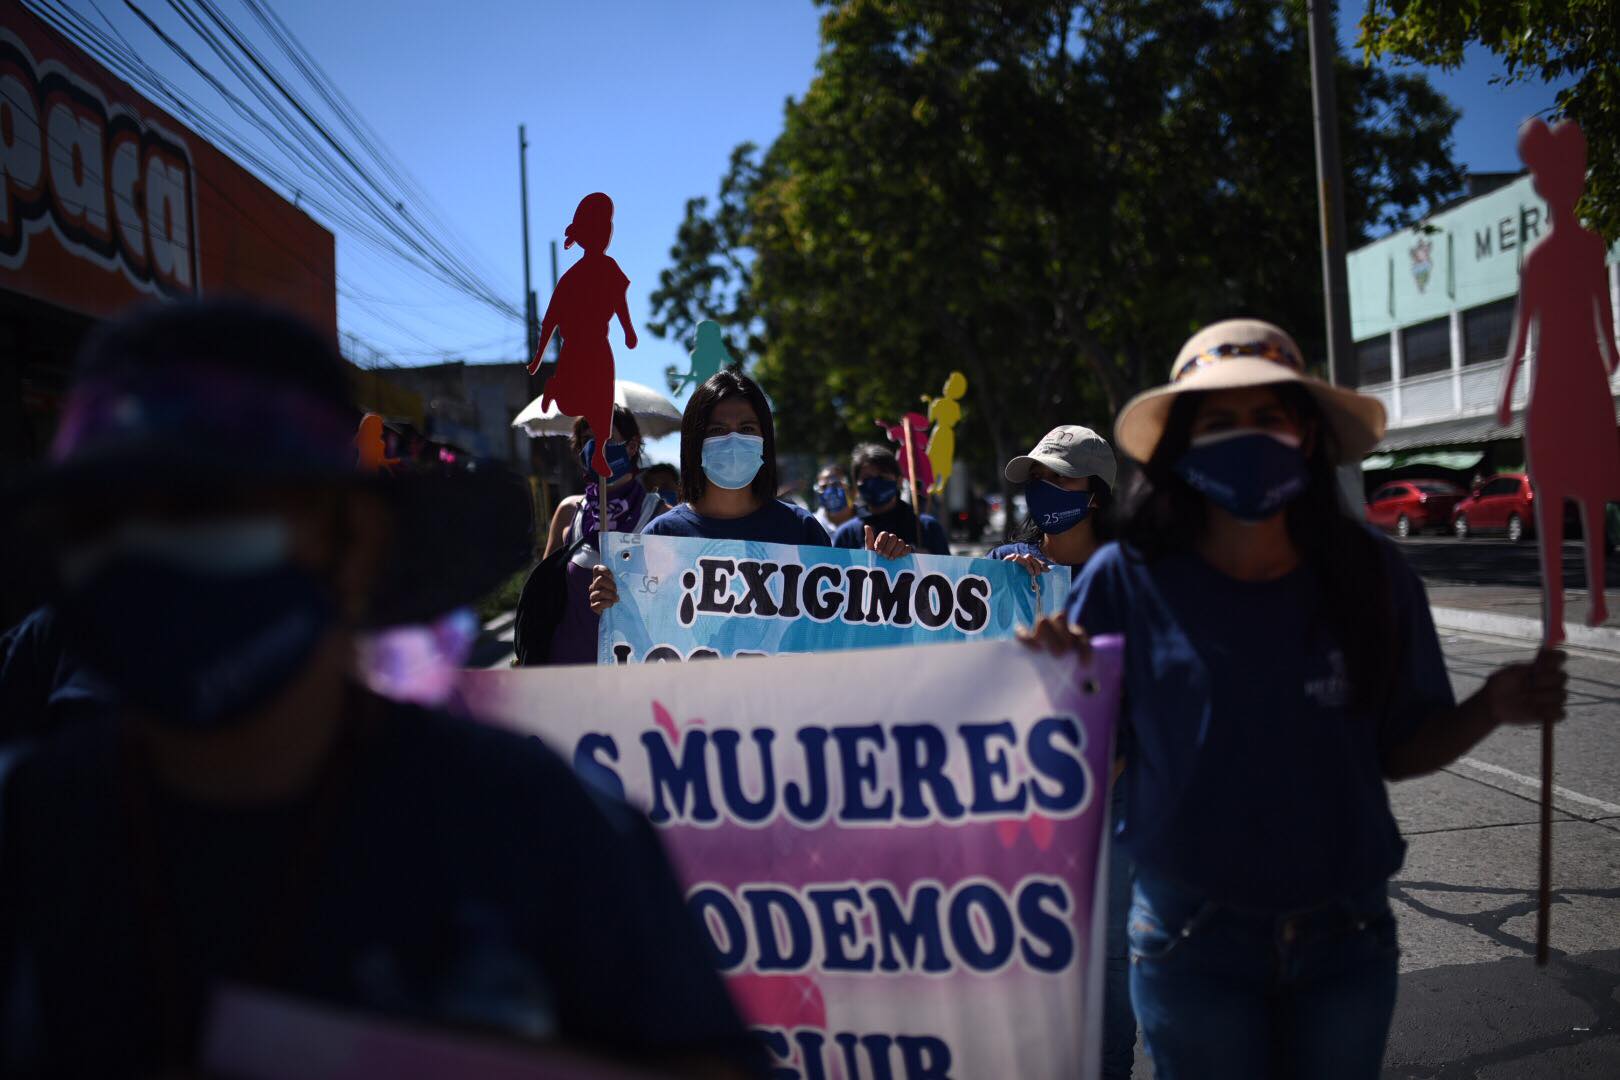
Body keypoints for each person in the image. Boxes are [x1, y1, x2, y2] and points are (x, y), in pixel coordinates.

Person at [0, 300, 761, 1076]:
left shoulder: (536, 832)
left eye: (204, 508)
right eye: (104, 519)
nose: (149, 558)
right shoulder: (29, 833)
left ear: (356, 544)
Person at [1021, 319, 1566, 1080]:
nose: (1247, 436)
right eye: (1218, 422)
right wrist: (1060, 689)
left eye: (1269, 417)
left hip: (1347, 941)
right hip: (1190, 946)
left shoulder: (1374, 577)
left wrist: (1490, 705)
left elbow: (1398, 749)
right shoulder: (1124, 580)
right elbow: (1083, 764)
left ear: (1307, 435)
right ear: (1183, 445)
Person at [989, 425, 1137, 1080]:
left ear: (1097, 495)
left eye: (1061, 479)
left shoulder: (1130, 580)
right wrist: (1003, 597)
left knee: (1106, 963)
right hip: (1018, 801)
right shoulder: (998, 570)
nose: (1045, 492)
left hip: (1114, 799)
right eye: (1038, 480)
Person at [589, 371, 914, 614]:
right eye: (717, 431)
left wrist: (882, 580)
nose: (733, 440)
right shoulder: (661, 535)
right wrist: (614, 604)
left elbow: (834, 629)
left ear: (764, 441)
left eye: (747, 429)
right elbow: (641, 631)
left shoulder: (800, 530)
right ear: (694, 444)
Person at [1497, 118, 1620, 638]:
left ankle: (1567, 613)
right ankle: (1586, 601)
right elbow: (1603, 324)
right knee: (1580, 493)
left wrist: (1506, 394)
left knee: (1559, 493)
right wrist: (1610, 355)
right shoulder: (1582, 249)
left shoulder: (1543, 256)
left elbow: (1524, 333)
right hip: (1577, 374)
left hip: (1554, 380)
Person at [533, 407, 667, 665]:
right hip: (569, 670)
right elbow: (542, 595)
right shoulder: (570, 512)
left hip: (634, 674)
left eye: (605, 437)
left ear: (631, 446)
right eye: (586, 440)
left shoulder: (660, 516)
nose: (595, 446)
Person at [529, 192, 636, 478]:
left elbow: (619, 303)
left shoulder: (610, 268)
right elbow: (550, 319)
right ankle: (555, 389)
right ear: (586, 235)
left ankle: (600, 452)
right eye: (598, 229)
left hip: (600, 346)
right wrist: (538, 357)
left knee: (603, 400)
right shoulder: (571, 277)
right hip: (575, 348)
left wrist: (628, 330)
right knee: (572, 403)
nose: (604, 234)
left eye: (606, 228)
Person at [829, 443, 952, 556]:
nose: (875, 483)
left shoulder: (927, 528)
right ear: (856, 485)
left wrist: (925, 561)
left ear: (899, 481)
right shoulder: (846, 535)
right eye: (867, 478)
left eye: (882, 476)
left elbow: (949, 575)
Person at [812, 463, 857, 535]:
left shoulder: (867, 522)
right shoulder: (810, 525)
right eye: (824, 487)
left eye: (836, 485)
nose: (830, 492)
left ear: (853, 490)